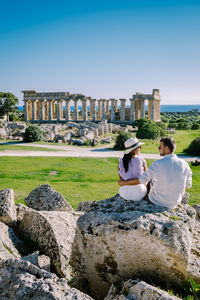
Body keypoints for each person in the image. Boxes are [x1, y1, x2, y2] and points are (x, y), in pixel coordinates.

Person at [118, 137, 192, 209]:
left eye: (160, 147)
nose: (158, 148)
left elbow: (142, 179)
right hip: (176, 202)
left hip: (157, 201)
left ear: (166, 149)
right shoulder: (185, 164)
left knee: (152, 180)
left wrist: (124, 183)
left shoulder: (157, 163)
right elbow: (188, 185)